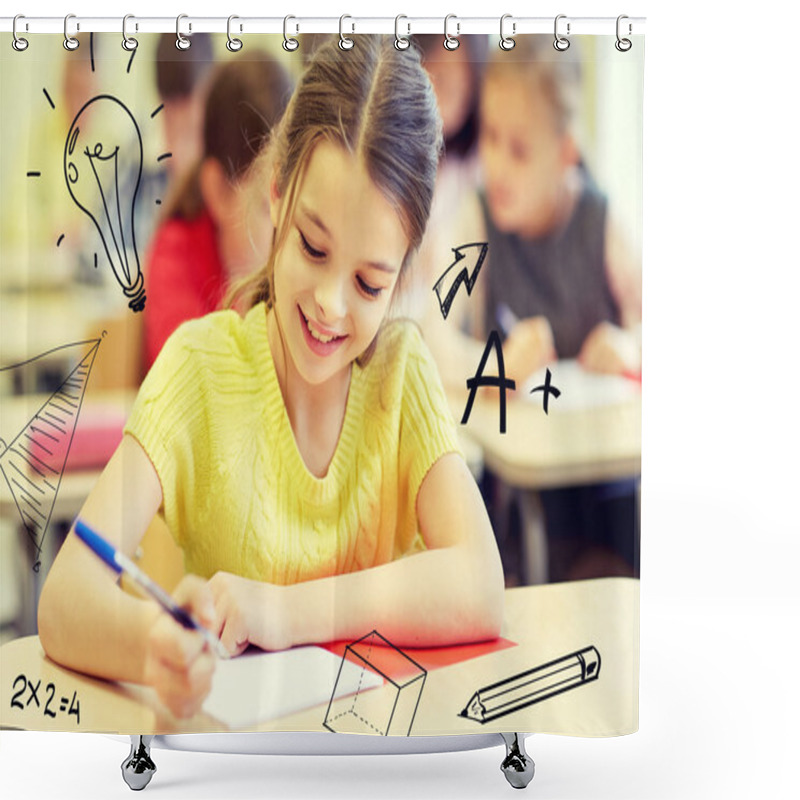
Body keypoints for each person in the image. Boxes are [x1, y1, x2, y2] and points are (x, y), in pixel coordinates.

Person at [37, 36, 505, 721]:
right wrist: (153, 648)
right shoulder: (200, 368)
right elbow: (65, 597)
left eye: (370, 283)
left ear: (404, 270)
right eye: (313, 247)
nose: (330, 303)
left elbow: (480, 584)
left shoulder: (400, 378)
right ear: (278, 192)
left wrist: (286, 612)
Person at [142, 56, 293, 370]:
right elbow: (190, 388)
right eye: (268, 209)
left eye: (295, 207)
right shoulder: (175, 258)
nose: (288, 232)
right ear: (218, 192)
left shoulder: (295, 264)